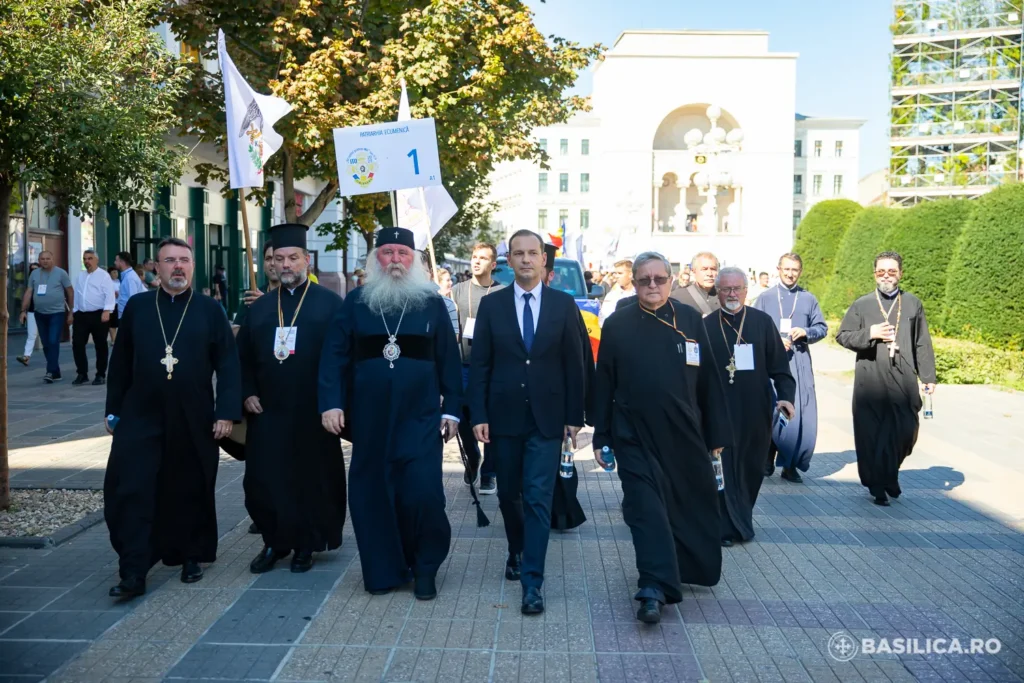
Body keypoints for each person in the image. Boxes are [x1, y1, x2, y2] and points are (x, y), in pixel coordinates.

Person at [319, 227, 461, 601]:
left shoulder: (432, 304)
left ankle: (425, 566)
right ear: (375, 259)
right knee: (372, 494)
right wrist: (331, 402)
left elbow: (450, 361)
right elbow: (334, 356)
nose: (395, 260)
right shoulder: (356, 302)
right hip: (369, 420)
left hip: (421, 417)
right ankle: (383, 570)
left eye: (402, 253)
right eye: (387, 253)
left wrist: (455, 412)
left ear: (414, 260)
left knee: (422, 493)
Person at [592, 251, 731, 625]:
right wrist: (600, 436)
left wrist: (716, 432)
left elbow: (708, 379)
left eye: (659, 279)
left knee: (684, 505)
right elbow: (604, 382)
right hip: (632, 433)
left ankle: (679, 568)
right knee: (644, 509)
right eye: (643, 280)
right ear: (634, 282)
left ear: (672, 280)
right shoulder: (618, 324)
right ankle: (652, 587)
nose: (652, 286)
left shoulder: (689, 319)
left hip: (684, 434)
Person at [103, 237, 240, 598]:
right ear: (156, 268)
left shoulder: (210, 310)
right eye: (169, 261)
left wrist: (226, 412)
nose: (178, 266)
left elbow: (228, 365)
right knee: (133, 487)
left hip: (194, 415)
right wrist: (113, 409)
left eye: (184, 260)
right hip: (140, 413)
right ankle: (134, 569)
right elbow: (120, 363)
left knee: (189, 484)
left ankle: (190, 554)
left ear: (193, 266)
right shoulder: (138, 306)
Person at [468, 229, 584, 616]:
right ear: (509, 260)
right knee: (508, 495)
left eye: (533, 253)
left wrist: (574, 416)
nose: (526, 260)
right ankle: (517, 548)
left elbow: (575, 363)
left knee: (538, 497)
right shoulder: (492, 306)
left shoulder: (564, 305)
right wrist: (479, 415)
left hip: (547, 419)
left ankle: (533, 582)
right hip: (503, 417)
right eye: (518, 253)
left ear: (544, 259)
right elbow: (480, 364)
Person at [239, 224, 346, 574]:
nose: (285, 264)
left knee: (309, 479)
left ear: (307, 261)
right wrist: (248, 390)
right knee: (265, 479)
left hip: (312, 411)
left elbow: (343, 357)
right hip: (268, 411)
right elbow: (241, 358)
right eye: (279, 258)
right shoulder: (260, 308)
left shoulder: (331, 305)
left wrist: (336, 402)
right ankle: (274, 541)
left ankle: (306, 544)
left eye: (293, 258)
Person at [836, 251, 936, 507]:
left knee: (906, 431)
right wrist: (869, 333)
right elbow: (843, 336)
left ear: (900, 273)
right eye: (881, 271)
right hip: (870, 379)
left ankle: (890, 473)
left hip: (903, 379)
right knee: (872, 434)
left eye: (891, 271)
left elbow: (922, 342)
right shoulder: (863, 304)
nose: (886, 276)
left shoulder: (912, 303)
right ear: (874, 274)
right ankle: (878, 485)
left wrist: (928, 376)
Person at [703, 267, 795, 546]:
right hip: (719, 411)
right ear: (717, 292)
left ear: (746, 291)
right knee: (724, 467)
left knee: (751, 469)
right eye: (726, 289)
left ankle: (742, 518)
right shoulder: (706, 326)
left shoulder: (762, 322)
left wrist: (786, 396)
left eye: (737, 289)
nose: (732, 294)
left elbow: (780, 366)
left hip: (755, 411)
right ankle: (728, 527)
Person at [753, 253, 828, 482]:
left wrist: (806, 332)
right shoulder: (765, 298)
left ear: (800, 272)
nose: (790, 273)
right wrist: (773, 340)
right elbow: (753, 329)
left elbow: (822, 328)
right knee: (771, 409)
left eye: (795, 269)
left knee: (799, 414)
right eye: (786, 269)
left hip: (798, 362)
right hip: (770, 363)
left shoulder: (808, 299)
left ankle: (790, 464)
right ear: (778, 269)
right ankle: (768, 455)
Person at [450, 242, 504, 495]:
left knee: (491, 418)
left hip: (493, 368)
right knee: (463, 418)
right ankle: (472, 457)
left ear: (493, 264)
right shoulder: (458, 290)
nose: (476, 261)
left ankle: (489, 473)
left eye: (483, 258)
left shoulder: (502, 292)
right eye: (474, 257)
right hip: (462, 365)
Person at [20, 250, 74, 383]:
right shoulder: (34, 274)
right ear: (39, 260)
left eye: (47, 258)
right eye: (42, 259)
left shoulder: (61, 273)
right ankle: (56, 372)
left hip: (57, 313)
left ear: (52, 259)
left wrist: (71, 312)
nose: (45, 261)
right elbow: (28, 292)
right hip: (39, 313)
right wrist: (23, 310)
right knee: (46, 344)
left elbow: (70, 292)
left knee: (53, 341)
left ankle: (50, 371)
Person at [71, 249, 116, 386]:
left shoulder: (103, 276)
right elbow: (78, 294)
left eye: (90, 258)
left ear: (96, 260)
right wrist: (75, 311)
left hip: (99, 314)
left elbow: (109, 293)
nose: (87, 261)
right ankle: (82, 373)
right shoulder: (80, 276)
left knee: (100, 345)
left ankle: (100, 374)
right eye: (85, 259)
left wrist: (107, 310)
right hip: (81, 315)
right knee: (77, 343)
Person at [233, 241, 280, 331]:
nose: (272, 263)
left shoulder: (294, 295)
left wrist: (265, 303)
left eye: (277, 258)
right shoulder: (253, 296)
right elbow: (236, 330)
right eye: (268, 258)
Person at [673, 252, 720, 316]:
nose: (709, 274)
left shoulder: (724, 297)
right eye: (704, 269)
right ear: (693, 272)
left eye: (713, 269)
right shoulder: (677, 298)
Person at [16, 263, 41, 366]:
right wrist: (24, 311)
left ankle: (52, 359)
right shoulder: (29, 284)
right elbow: (27, 298)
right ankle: (26, 356)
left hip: (45, 311)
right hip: (32, 311)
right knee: (31, 335)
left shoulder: (44, 281)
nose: (33, 271)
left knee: (48, 336)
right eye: (31, 269)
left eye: (35, 269)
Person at [599, 259, 634, 324]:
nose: (616, 276)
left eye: (620, 273)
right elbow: (604, 319)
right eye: (615, 273)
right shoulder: (612, 296)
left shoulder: (641, 294)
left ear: (630, 274)